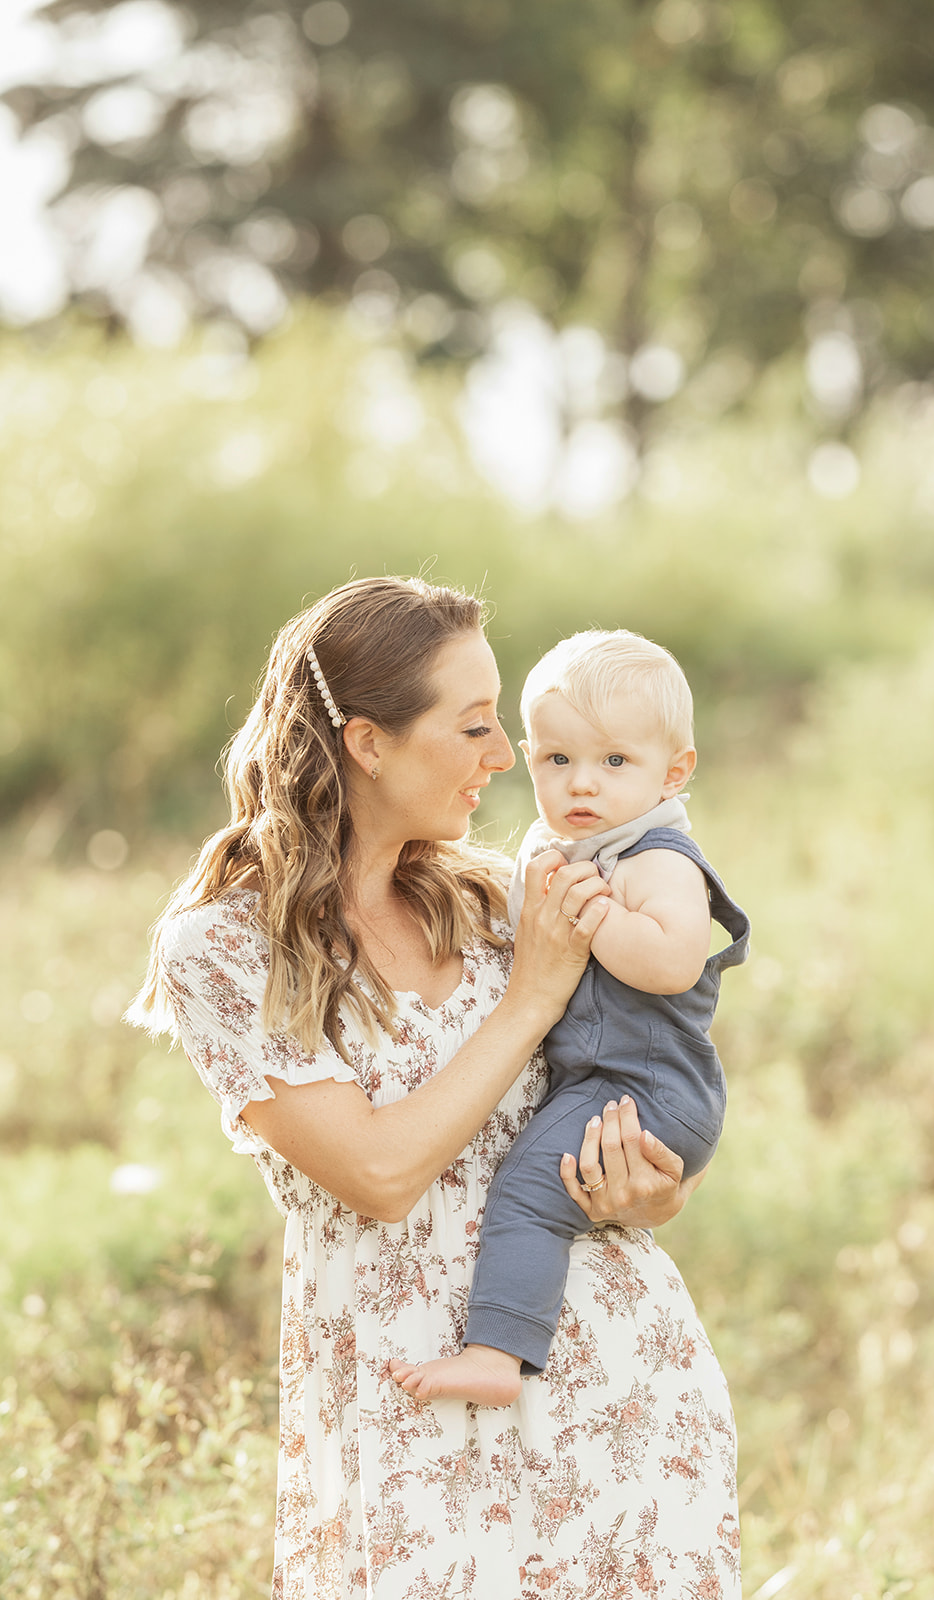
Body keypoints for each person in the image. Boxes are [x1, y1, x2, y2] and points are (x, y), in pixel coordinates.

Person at [129, 577, 742, 1600]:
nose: (503, 756)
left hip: (616, 1387)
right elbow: (376, 1172)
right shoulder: (228, 949)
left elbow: (637, 1075)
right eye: (471, 726)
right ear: (368, 742)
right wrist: (530, 999)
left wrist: (652, 1188)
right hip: (407, 1395)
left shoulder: (503, 898)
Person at [390, 630, 749, 1409]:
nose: (582, 784)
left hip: (646, 1088)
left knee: (525, 1190)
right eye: (559, 761)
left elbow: (671, 963)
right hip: (614, 1079)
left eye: (614, 762)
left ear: (673, 772)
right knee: (539, 1185)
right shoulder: (568, 851)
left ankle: (497, 1351)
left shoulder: (656, 859)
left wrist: (590, 920)